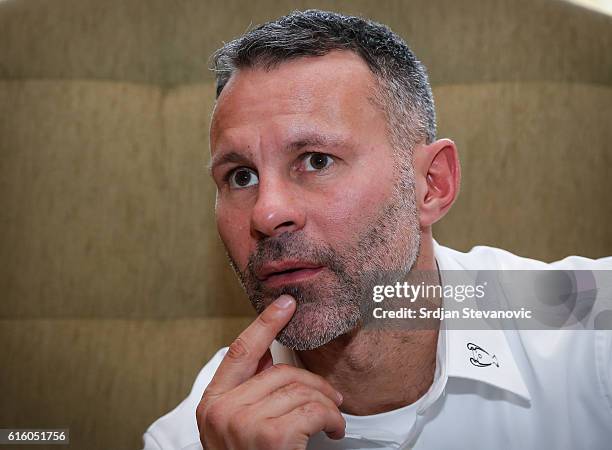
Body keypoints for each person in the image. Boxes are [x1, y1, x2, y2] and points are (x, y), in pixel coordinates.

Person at [142, 9, 612, 450]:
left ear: (431, 185)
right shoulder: (192, 436)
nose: (267, 214)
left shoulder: (589, 334)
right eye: (241, 176)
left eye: (316, 160)